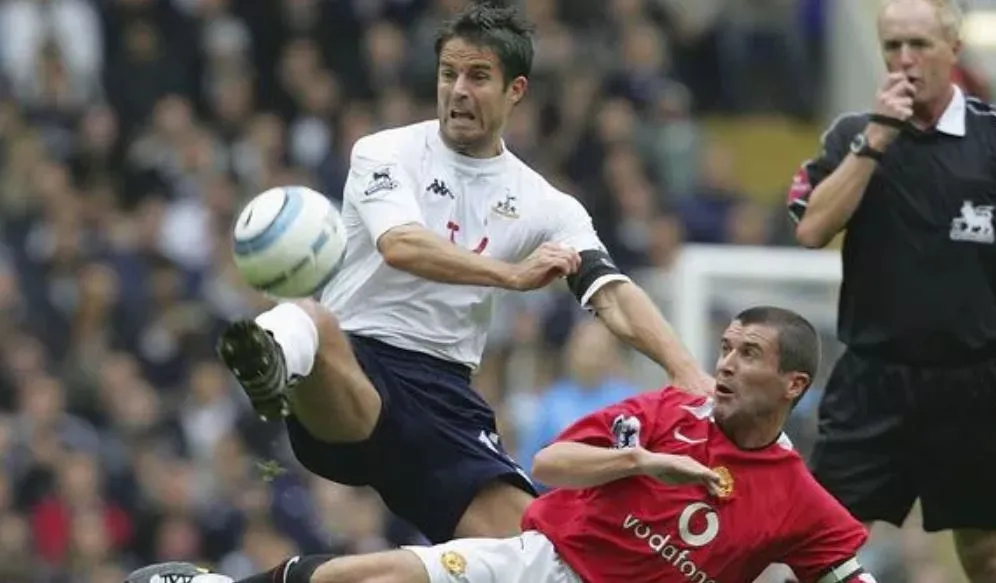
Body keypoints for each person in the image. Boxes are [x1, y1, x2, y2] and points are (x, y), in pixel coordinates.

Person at [216, 2, 711, 548]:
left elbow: (611, 294)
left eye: (478, 77)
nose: (457, 90)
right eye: (448, 74)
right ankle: (272, 360)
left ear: (515, 90)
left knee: (538, 551)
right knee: (308, 319)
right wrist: (511, 275)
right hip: (358, 368)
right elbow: (400, 245)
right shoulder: (384, 151)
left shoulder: (545, 204)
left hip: (445, 401)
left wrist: (687, 372)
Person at [128, 307, 879, 583]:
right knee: (379, 573)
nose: (724, 362)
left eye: (749, 353)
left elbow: (846, 574)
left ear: (792, 384)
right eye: (724, 346)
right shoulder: (666, 411)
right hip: (540, 561)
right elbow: (551, 463)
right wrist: (640, 459)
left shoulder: (797, 498)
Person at [787, 0, 996, 580]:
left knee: (984, 549)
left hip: (976, 382)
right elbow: (811, 229)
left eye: (920, 45)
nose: (905, 60)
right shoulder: (853, 136)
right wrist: (878, 138)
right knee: (819, 541)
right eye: (892, 47)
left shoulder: (991, 140)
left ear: (953, 50)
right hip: (871, 381)